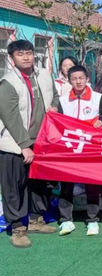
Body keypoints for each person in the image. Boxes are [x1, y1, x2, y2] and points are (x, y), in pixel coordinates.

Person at [0, 40, 59, 248]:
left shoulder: (44, 75)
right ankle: (17, 228)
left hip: (41, 141)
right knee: (14, 186)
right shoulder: (8, 82)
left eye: (29, 53)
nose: (26, 57)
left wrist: (54, 107)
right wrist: (24, 145)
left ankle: (36, 219)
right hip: (14, 143)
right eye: (20, 54)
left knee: (39, 183)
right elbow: (10, 117)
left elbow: (55, 97)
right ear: (11, 58)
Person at [57, 65, 102, 237]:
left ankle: (92, 219)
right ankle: (66, 219)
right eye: (74, 79)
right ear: (69, 80)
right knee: (66, 184)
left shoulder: (98, 98)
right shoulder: (63, 100)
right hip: (70, 148)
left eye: (81, 78)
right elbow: (59, 123)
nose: (78, 82)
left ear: (87, 79)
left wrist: (101, 123)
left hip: (90, 148)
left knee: (92, 184)